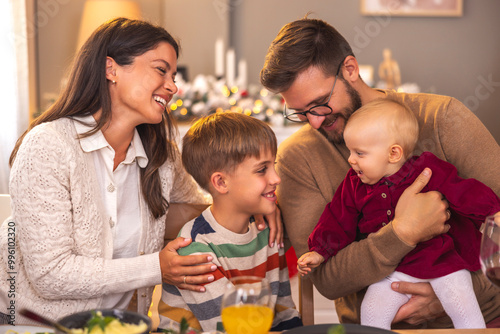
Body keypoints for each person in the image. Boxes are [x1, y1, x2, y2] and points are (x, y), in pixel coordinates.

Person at [0, 18, 281, 326]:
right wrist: (156, 267)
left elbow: (202, 206)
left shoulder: (161, 156)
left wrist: (256, 205)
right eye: (161, 70)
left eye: (173, 75)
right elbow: (50, 275)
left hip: (122, 326)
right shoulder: (48, 146)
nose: (173, 86)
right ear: (111, 69)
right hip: (32, 325)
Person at [260, 16, 500, 329]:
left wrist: (452, 292)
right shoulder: (298, 158)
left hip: (484, 316)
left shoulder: (443, 119)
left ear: (350, 69)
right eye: (301, 113)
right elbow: (327, 280)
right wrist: (402, 232)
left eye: (319, 104)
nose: (315, 122)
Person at [297, 99, 500, 329]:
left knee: (463, 304)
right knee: (372, 311)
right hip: (394, 272)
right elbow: (336, 220)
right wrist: (319, 251)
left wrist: (494, 211)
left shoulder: (427, 170)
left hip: (443, 262)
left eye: (359, 153)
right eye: (350, 151)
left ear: (393, 153)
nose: (350, 160)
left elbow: (463, 191)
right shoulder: (353, 184)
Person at [158, 112, 302, 332]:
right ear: (221, 182)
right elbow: (231, 328)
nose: (276, 178)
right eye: (262, 170)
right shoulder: (195, 250)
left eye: (273, 165)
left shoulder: (269, 232)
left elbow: (284, 312)